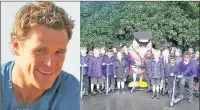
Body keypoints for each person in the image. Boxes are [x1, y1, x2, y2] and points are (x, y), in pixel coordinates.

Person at [1, 2, 79, 110]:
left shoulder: (71, 89)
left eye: (59, 52)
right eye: (41, 51)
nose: (50, 64)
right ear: (16, 46)